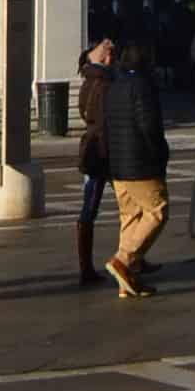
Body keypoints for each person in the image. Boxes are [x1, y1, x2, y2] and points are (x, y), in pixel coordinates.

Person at [102, 31, 169, 300]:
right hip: (140, 163)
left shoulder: (115, 86)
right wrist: (160, 153)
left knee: (130, 217)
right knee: (157, 210)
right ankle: (123, 260)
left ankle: (127, 281)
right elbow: (149, 126)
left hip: (118, 164)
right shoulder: (142, 87)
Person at [74, 36, 115, 284]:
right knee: (127, 205)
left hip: (91, 150)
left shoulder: (88, 81)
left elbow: (84, 114)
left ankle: (86, 267)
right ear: (106, 58)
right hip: (104, 151)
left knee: (89, 207)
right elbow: (104, 122)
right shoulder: (105, 83)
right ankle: (130, 258)